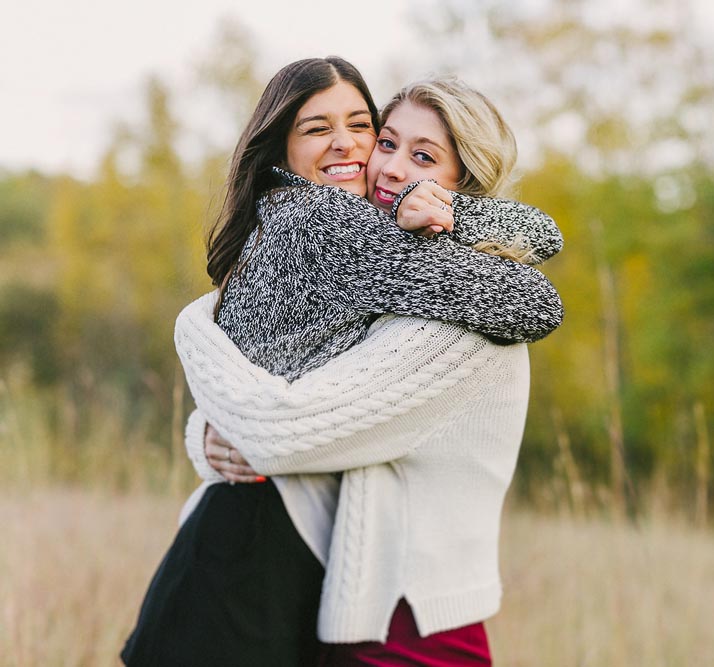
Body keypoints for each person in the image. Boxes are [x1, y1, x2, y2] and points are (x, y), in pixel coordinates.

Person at [122, 58, 561, 667]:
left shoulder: (423, 300)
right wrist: (203, 380)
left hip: (391, 610)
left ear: (465, 180)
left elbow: (533, 286)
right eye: (387, 142)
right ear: (280, 146)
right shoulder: (327, 223)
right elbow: (302, 419)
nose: (369, 155)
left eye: (364, 126)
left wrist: (207, 404)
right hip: (259, 553)